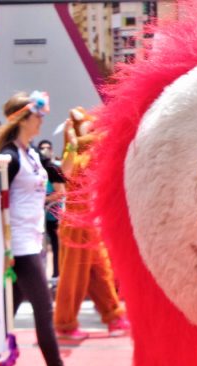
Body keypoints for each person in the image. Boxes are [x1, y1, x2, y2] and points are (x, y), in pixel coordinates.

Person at [0, 92, 99, 366]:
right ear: (23, 118)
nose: (43, 120)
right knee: (44, 311)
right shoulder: (10, 156)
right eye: (38, 115)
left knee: (7, 314)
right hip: (18, 248)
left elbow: (64, 175)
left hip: (33, 242)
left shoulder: (30, 154)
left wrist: (73, 142)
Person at [54, 107, 130, 339]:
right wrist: (75, 139)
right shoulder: (76, 153)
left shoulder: (90, 152)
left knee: (101, 271)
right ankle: (65, 323)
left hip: (89, 222)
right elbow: (65, 172)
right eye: (88, 123)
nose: (93, 125)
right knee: (73, 276)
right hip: (75, 222)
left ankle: (113, 316)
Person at [38, 139, 63, 283]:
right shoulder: (35, 167)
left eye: (47, 148)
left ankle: (56, 274)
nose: (44, 150)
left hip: (53, 214)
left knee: (55, 244)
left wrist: (43, 200)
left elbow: (60, 192)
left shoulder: (53, 169)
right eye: (42, 148)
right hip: (38, 216)